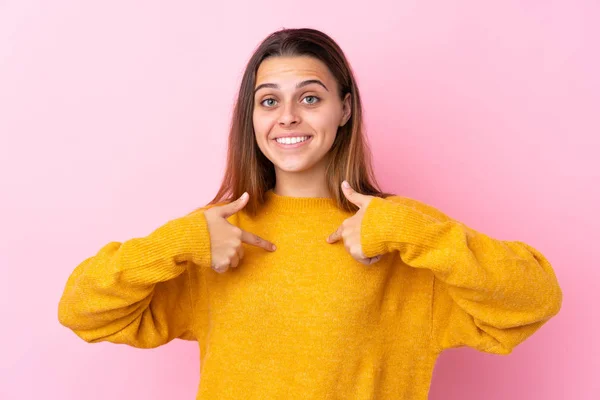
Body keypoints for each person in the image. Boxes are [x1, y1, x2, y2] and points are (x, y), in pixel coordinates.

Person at [58, 28, 563, 399]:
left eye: (310, 97)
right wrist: (174, 244)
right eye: (269, 100)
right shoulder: (215, 237)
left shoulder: (399, 236)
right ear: (251, 117)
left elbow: (534, 299)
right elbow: (80, 311)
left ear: (344, 109)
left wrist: (415, 232)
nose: (288, 117)